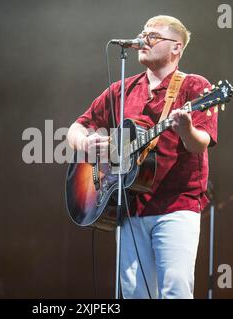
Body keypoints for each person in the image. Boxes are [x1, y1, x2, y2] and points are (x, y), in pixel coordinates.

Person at [66, 15, 218, 299]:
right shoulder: (122, 89)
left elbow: (200, 144)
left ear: (177, 48)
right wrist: (87, 143)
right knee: (134, 294)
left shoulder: (195, 87)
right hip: (129, 207)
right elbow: (75, 128)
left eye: (153, 36)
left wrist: (186, 128)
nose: (143, 40)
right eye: (143, 33)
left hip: (177, 206)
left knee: (176, 291)